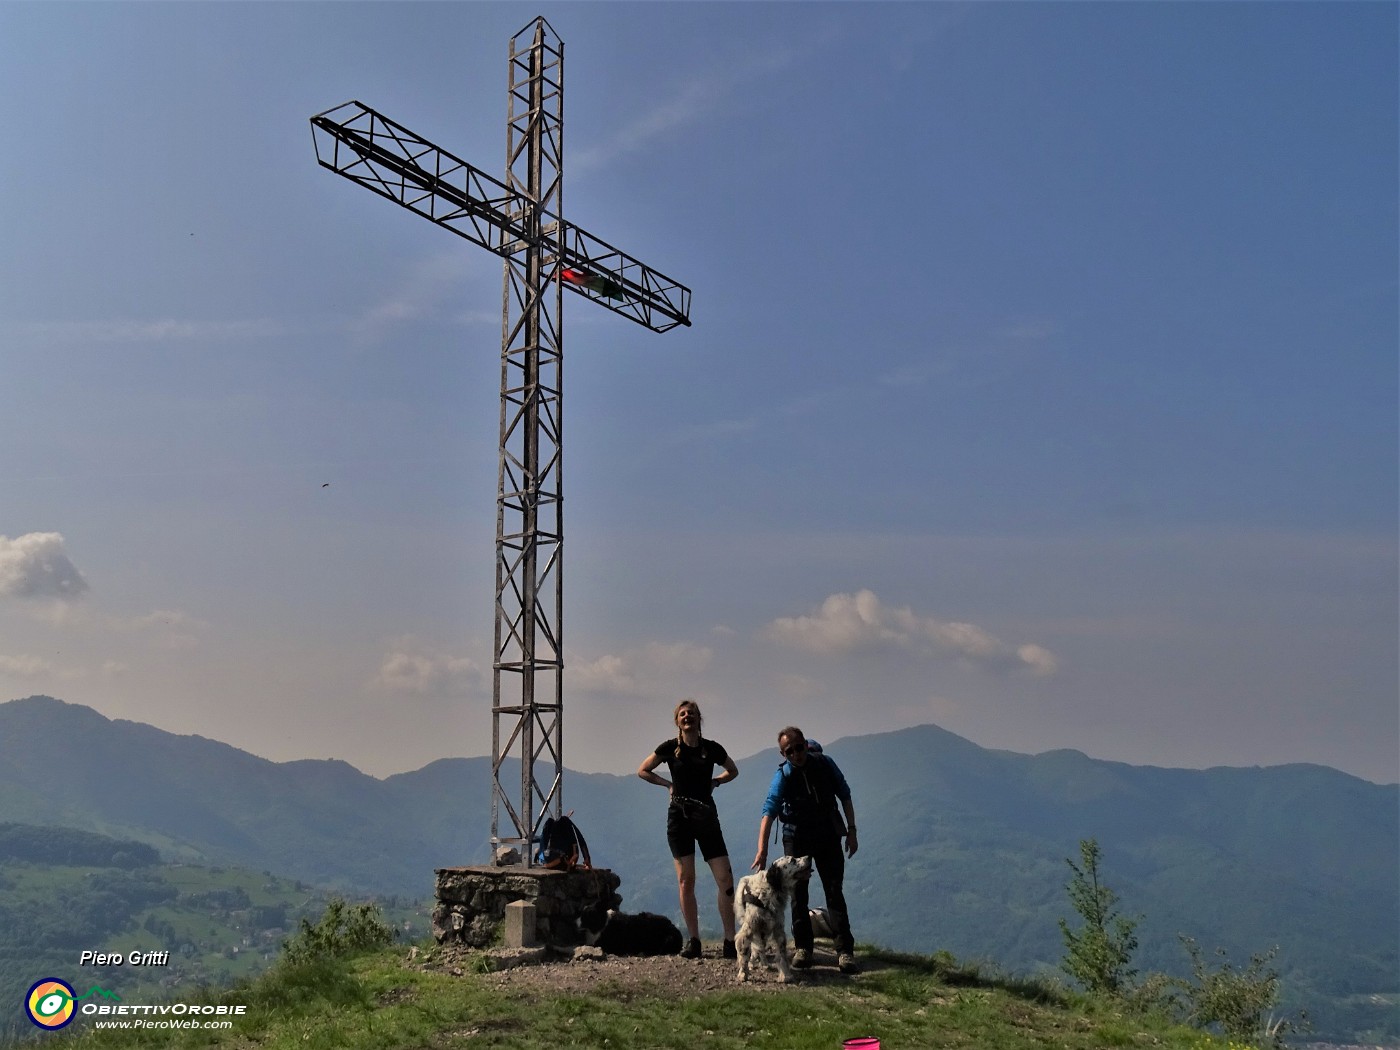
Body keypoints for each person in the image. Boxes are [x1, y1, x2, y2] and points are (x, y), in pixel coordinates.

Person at [751, 725, 860, 974]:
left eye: (799, 748)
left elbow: (844, 794)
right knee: (799, 894)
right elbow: (769, 811)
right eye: (789, 751)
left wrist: (852, 830)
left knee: (834, 890)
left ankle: (844, 952)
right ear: (783, 754)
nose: (796, 754)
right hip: (797, 838)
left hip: (827, 834)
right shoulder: (784, 776)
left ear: (804, 744)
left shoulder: (824, 764)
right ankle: (803, 949)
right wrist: (762, 850)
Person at [637, 699, 740, 959]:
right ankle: (694, 941)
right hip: (679, 818)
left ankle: (730, 941)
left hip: (706, 817)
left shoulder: (712, 748)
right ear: (677, 721)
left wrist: (716, 781)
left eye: (691, 713)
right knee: (686, 881)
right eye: (683, 714)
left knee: (725, 879)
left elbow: (733, 771)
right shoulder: (670, 748)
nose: (687, 717)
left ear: (698, 718)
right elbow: (643, 770)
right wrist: (667, 785)